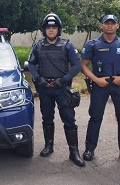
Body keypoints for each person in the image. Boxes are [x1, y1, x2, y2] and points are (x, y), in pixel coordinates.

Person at [81, 14, 120, 167]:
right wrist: (96, 79)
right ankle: (89, 149)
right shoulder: (93, 45)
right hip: (100, 85)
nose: (109, 26)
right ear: (101, 26)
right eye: (106, 23)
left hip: (119, 85)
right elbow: (83, 65)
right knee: (95, 118)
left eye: (112, 23)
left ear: (117, 26)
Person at [28, 13, 85, 167]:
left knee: (69, 120)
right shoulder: (38, 46)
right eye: (48, 27)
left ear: (58, 30)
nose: (51, 30)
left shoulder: (67, 45)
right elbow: (31, 64)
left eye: (54, 27)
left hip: (62, 88)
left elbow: (77, 66)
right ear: (44, 30)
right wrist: (38, 78)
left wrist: (64, 80)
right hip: (45, 88)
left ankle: (74, 152)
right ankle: (48, 146)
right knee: (47, 119)